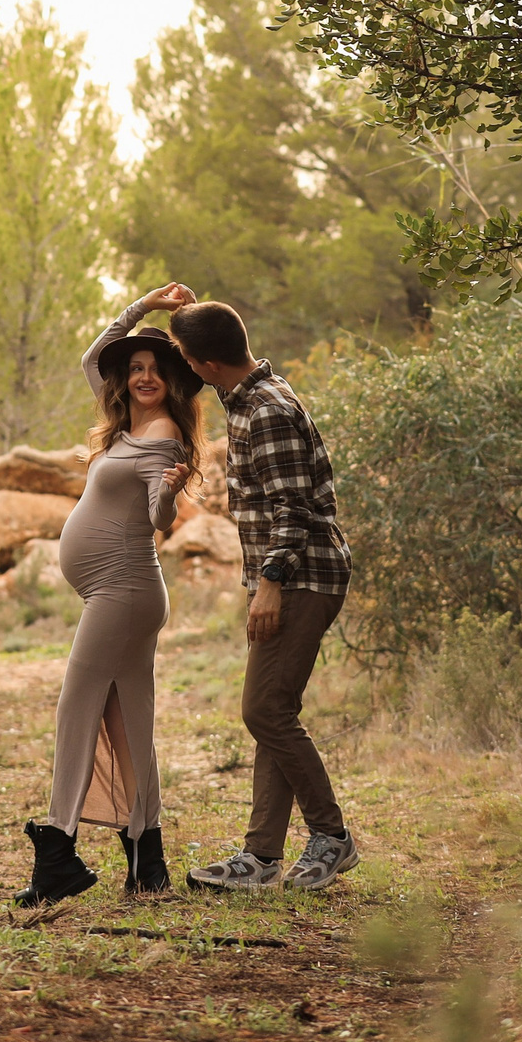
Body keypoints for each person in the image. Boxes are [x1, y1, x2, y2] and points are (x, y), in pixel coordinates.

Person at [16, 281, 204, 905]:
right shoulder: (126, 422)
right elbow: (91, 357)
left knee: (77, 708)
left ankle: (58, 855)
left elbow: (158, 519)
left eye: (156, 369)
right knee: (128, 727)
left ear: (173, 382)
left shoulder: (164, 435)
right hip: (119, 592)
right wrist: (145, 306)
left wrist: (170, 490)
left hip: (124, 590)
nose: (145, 377)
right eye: (137, 367)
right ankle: (148, 862)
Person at [164, 293, 359, 893]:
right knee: (275, 711)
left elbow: (293, 508)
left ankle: (331, 836)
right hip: (291, 576)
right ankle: (261, 856)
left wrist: (269, 585)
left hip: (300, 576)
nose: (182, 367)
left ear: (206, 364)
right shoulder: (248, 397)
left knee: (264, 711)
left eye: (184, 357)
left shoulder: (266, 410)